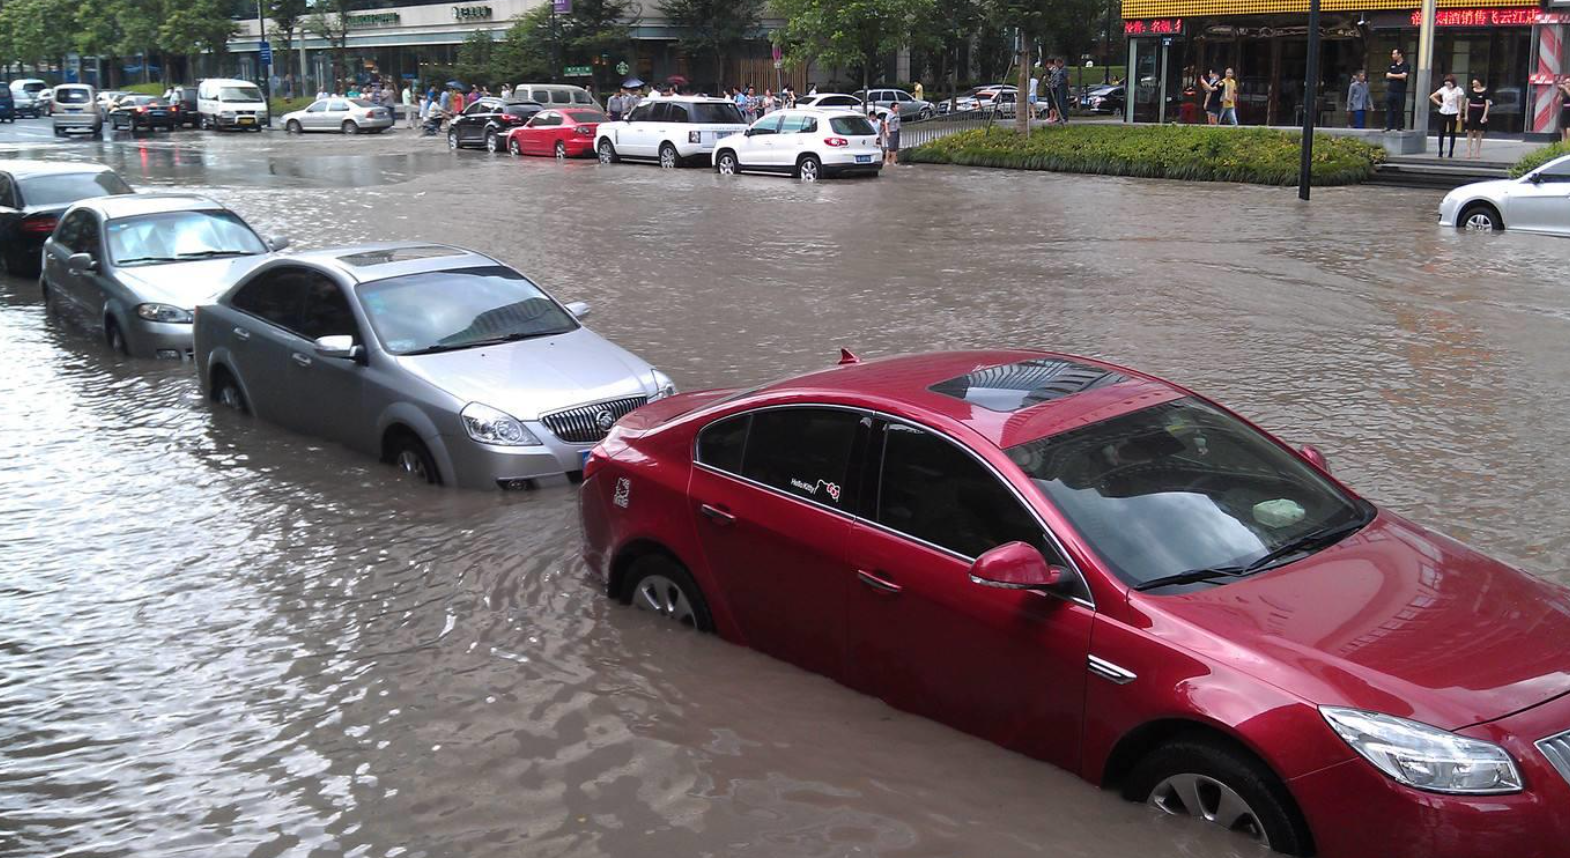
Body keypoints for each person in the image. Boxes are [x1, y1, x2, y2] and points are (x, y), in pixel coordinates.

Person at [1429, 75, 1462, 158]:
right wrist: (1439, 103)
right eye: (1446, 84)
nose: (1448, 86)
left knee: (1452, 132)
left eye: (1449, 84)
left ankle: (1451, 151)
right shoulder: (1443, 89)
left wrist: (1459, 114)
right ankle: (1440, 150)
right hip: (1443, 111)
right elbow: (1432, 96)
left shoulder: (1458, 90)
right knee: (1441, 132)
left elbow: (1460, 102)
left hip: (1453, 112)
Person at [1464, 79, 1491, 159]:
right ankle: (1468, 152)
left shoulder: (1485, 92)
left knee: (1479, 132)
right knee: (1470, 132)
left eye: (1475, 82)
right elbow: (1467, 103)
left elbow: (1487, 104)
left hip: (1480, 111)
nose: (1473, 83)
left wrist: (1484, 116)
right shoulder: (1470, 91)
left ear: (1479, 82)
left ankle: (1477, 152)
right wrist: (1466, 115)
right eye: (1472, 82)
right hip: (1471, 111)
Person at [1384, 48, 1410, 132]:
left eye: (1394, 54)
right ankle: (1388, 126)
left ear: (1400, 55)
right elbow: (1387, 75)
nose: (1393, 56)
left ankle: (1400, 126)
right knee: (1389, 108)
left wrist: (1393, 75)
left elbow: (1403, 76)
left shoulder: (1406, 65)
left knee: (1400, 109)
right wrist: (1397, 75)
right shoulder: (1391, 65)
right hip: (1391, 90)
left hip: (1400, 91)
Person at [1560, 77, 1570, 143]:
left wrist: (1565, 88)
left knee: (1568, 128)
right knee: (1562, 127)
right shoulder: (1563, 91)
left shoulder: (1567, 90)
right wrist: (1560, 92)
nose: (1566, 83)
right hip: (1564, 110)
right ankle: (1563, 145)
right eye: (1565, 82)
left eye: (1568, 82)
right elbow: (1558, 102)